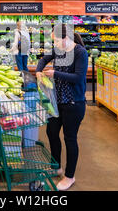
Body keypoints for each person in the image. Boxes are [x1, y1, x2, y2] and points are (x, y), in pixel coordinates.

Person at [36, 23, 88, 191]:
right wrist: (38, 71)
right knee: (51, 132)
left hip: (74, 103)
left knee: (69, 138)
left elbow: (79, 78)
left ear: (66, 38)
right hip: (56, 101)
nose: (55, 44)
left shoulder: (80, 52)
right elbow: (44, 59)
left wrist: (55, 73)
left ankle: (69, 176)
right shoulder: (59, 49)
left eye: (56, 41)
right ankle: (56, 166)